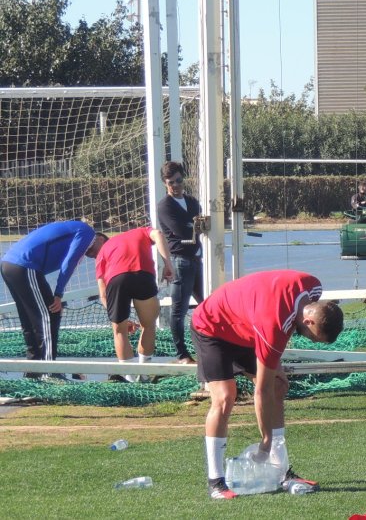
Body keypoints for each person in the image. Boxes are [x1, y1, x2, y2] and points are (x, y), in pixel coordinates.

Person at [190, 269, 344, 499]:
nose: (310, 339)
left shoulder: (313, 287)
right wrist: (265, 440)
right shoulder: (274, 326)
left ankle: (282, 470)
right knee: (224, 397)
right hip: (212, 327)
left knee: (279, 385)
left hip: (247, 328)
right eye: (313, 336)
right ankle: (216, 481)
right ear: (309, 320)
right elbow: (261, 391)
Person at [1, 220, 107, 369]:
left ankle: (33, 369)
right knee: (50, 314)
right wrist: (58, 294)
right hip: (24, 264)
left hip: (9, 264)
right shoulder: (87, 233)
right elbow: (70, 262)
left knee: (29, 318)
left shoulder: (73, 233)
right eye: (103, 251)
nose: (97, 257)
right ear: (101, 239)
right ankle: (49, 370)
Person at [95, 226, 174, 382]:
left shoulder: (101, 254)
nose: (90, 254)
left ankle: (130, 378)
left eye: (90, 251)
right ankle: (143, 373)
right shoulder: (141, 231)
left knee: (119, 331)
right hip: (142, 275)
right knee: (149, 325)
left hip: (116, 281)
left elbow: (103, 294)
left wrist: (117, 317)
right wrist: (168, 264)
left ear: (101, 240)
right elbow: (158, 234)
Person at [157, 161, 204, 364]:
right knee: (179, 309)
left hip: (196, 259)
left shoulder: (192, 201)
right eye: (171, 182)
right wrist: (196, 225)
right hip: (179, 261)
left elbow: (199, 225)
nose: (176, 185)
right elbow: (182, 230)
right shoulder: (164, 206)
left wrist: (197, 226)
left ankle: (208, 346)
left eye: (178, 180)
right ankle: (182, 354)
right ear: (165, 184)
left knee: (208, 303)